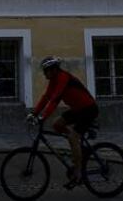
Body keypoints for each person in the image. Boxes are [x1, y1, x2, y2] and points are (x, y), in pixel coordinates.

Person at [28, 56, 98, 189]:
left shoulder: (63, 78)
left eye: (45, 71)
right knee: (57, 125)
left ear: (53, 70)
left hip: (88, 109)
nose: (44, 74)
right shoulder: (53, 80)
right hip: (77, 109)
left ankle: (78, 174)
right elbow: (46, 97)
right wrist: (34, 113)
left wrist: (43, 117)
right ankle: (76, 145)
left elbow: (55, 99)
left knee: (72, 137)